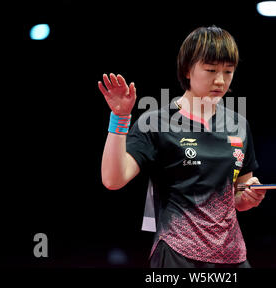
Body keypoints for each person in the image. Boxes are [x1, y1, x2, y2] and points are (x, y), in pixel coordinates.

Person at [98, 25, 266, 268]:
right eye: (210, 70)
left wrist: (250, 197)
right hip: (178, 252)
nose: (220, 80)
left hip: (232, 255)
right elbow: (113, 179)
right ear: (187, 69)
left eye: (228, 72)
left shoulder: (239, 125)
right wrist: (120, 117)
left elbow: (239, 196)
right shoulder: (155, 123)